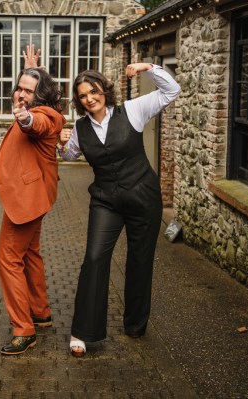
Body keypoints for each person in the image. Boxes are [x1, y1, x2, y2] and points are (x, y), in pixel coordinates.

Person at [58, 63, 180, 357]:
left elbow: (171, 90)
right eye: (83, 95)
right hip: (106, 200)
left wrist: (147, 67)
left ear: (103, 90)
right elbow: (70, 154)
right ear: (79, 101)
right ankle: (84, 332)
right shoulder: (80, 128)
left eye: (93, 91)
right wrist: (61, 143)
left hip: (142, 197)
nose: (90, 98)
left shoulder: (132, 110)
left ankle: (135, 324)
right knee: (94, 257)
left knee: (140, 260)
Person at [0, 46, 66, 355]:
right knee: (30, 253)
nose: (21, 94)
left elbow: (36, 124)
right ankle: (40, 312)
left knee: (8, 258)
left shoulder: (44, 115)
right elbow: (31, 99)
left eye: (28, 91)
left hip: (27, 201)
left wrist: (25, 117)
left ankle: (24, 330)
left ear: (41, 97)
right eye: (19, 88)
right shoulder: (36, 103)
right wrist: (33, 69)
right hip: (35, 197)